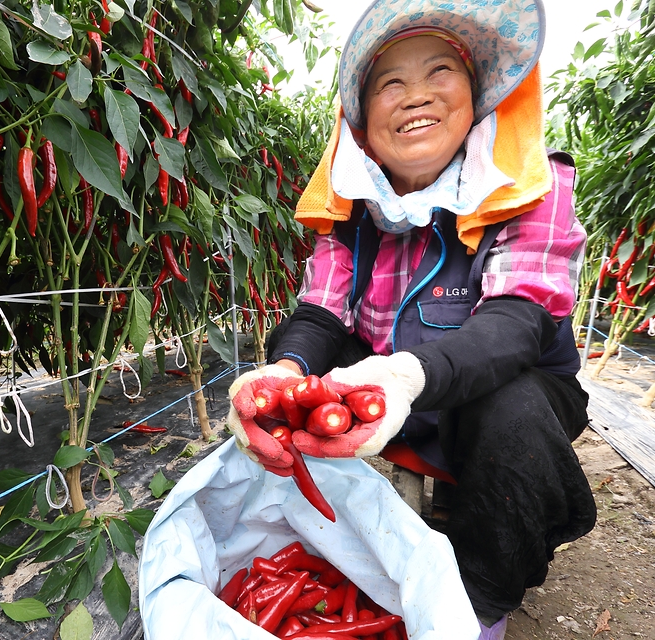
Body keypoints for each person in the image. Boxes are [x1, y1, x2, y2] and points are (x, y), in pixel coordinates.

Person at [227, 0, 597, 638]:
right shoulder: (350, 212)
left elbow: (515, 324)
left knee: (508, 411)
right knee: (290, 385)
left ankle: (479, 604)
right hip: (386, 393)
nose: (416, 95)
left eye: (440, 72)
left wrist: (404, 377)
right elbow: (320, 312)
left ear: (476, 97)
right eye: (389, 82)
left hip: (499, 394)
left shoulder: (529, 188)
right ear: (363, 121)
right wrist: (285, 370)